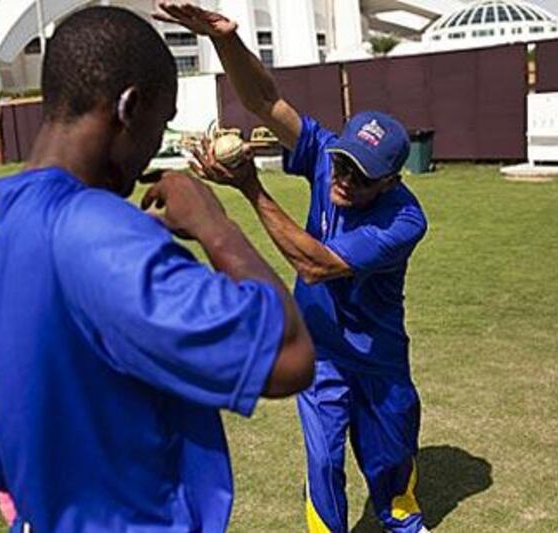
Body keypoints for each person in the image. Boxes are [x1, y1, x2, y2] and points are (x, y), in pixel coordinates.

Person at [0, 7, 315, 532]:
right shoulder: (99, 232)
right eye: (162, 121)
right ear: (129, 107)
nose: (157, 142)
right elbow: (289, 357)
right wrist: (214, 224)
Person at [155, 3, 429, 532]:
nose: (343, 178)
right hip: (320, 348)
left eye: (362, 176)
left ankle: (400, 518)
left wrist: (251, 190)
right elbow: (265, 101)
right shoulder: (327, 155)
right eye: (343, 163)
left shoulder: (405, 219)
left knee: (390, 457)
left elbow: (315, 264)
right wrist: (224, 38)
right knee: (324, 459)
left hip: (378, 357)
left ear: (391, 182)